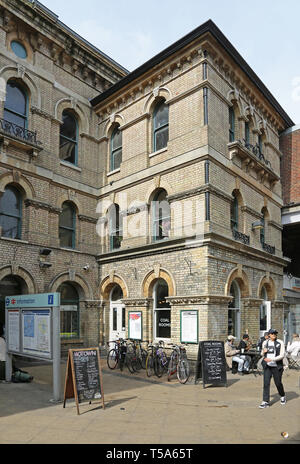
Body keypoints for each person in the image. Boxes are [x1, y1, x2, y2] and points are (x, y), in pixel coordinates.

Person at [259, 328, 286, 408]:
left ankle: (282, 395)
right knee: (266, 383)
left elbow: (282, 355)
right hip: (267, 366)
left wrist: (272, 359)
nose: (274, 335)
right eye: (272, 333)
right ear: (269, 335)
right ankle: (265, 402)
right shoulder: (265, 342)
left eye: (275, 333)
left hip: (277, 366)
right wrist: (263, 352)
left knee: (278, 383)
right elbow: (261, 354)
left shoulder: (280, 342)